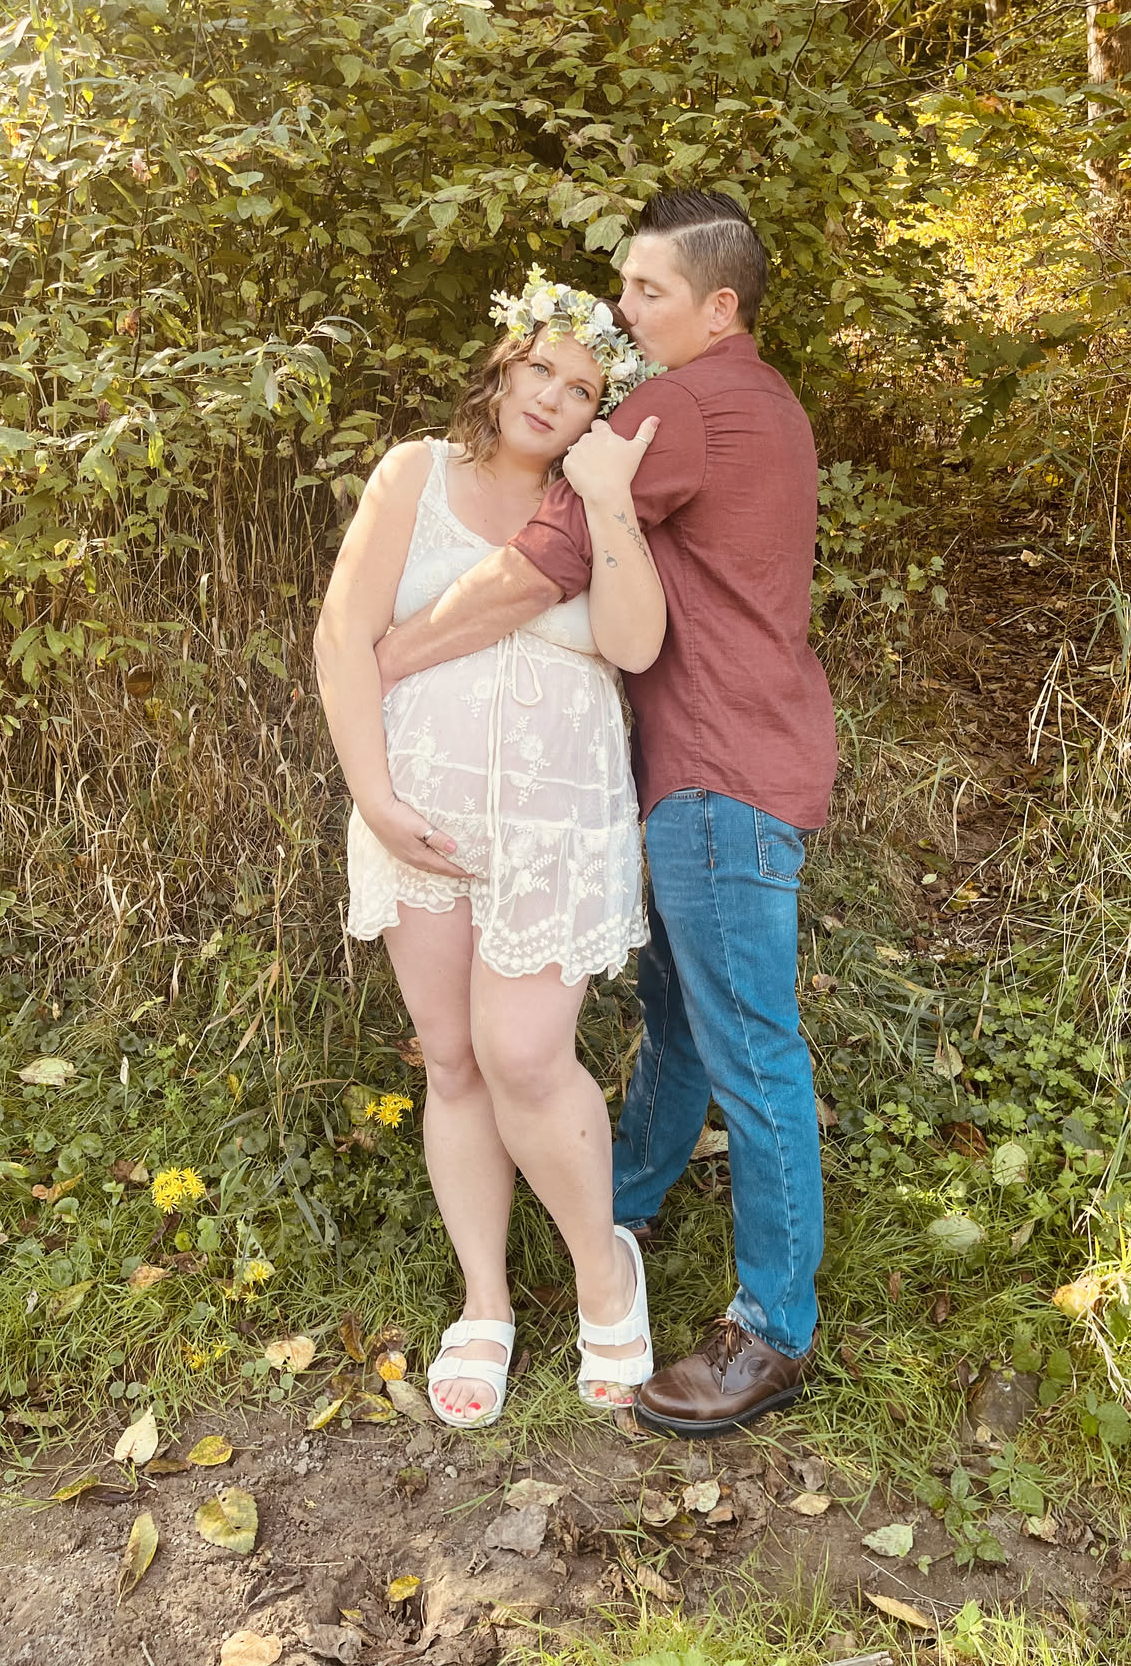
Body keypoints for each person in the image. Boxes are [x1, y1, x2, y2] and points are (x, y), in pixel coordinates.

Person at [373, 190, 837, 1437]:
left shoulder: (679, 407)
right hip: (731, 765)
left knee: (752, 1051)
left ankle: (772, 1330)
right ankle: (618, 1206)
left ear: (717, 306)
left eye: (648, 292)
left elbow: (537, 567)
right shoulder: (768, 401)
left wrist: (390, 654)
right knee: (683, 1028)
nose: (625, 313)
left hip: (719, 773)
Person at [313, 273, 668, 1428]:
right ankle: (485, 1301)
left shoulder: (590, 504)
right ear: (506, 363)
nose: (553, 398)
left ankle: (605, 1275)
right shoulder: (412, 473)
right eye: (541, 369)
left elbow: (632, 643)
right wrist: (374, 797)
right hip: (423, 810)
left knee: (524, 1052)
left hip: (555, 821)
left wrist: (610, 501)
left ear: (602, 413)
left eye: (584, 389)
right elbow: (343, 637)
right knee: (453, 1058)